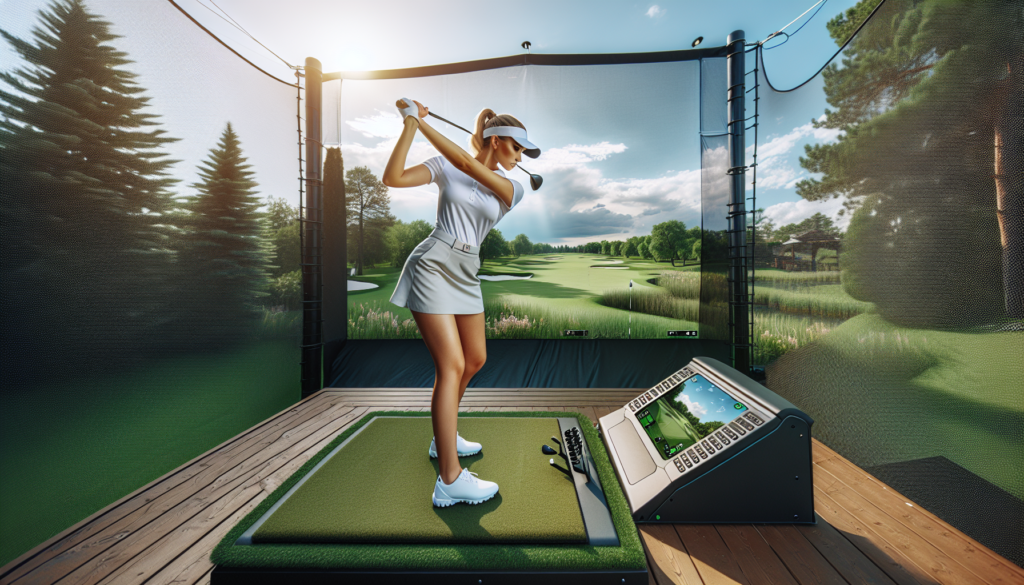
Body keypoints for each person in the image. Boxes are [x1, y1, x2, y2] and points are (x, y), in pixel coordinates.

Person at [382, 98, 540, 507]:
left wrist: (421, 120)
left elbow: (471, 166)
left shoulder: (513, 187)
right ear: (498, 140)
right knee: (450, 365)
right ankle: (450, 480)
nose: (520, 157)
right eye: (518, 148)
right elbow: (393, 178)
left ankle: (443, 437)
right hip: (433, 262)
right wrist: (410, 127)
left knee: (475, 359)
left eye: (522, 152)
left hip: (467, 267)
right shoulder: (444, 164)